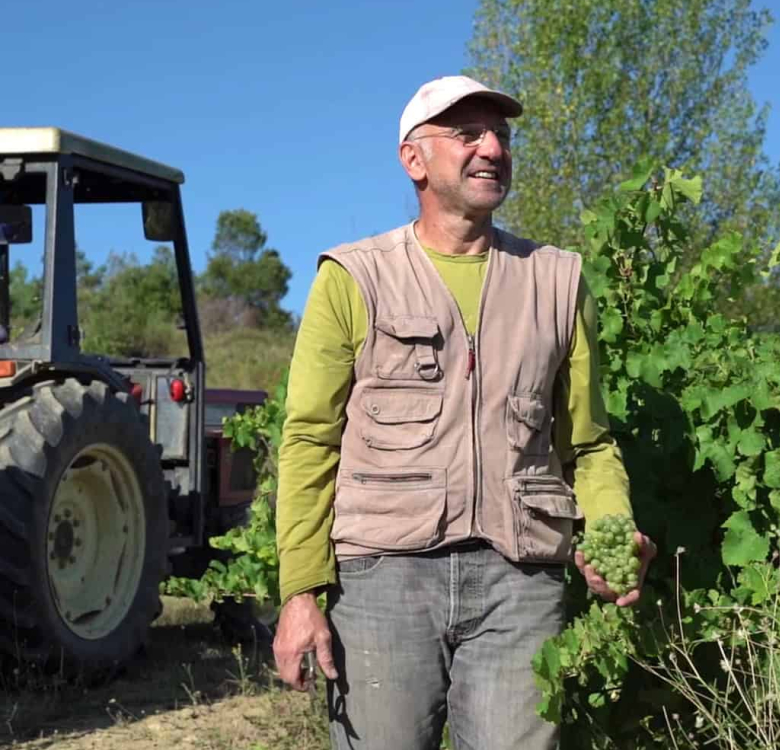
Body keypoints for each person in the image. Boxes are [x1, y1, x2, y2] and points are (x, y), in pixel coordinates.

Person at [273, 74, 656, 750]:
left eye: (502, 136)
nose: (492, 149)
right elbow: (310, 440)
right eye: (468, 133)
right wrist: (301, 592)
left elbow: (589, 445)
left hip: (521, 582)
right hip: (382, 580)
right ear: (413, 159)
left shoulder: (556, 280)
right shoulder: (355, 277)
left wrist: (612, 530)